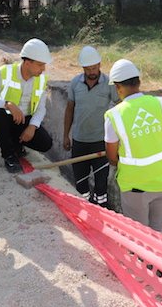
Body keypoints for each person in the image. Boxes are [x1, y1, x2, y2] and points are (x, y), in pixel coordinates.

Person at [104, 59, 162, 232]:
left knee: (139, 235)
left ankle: (141, 259)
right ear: (138, 82)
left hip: (135, 187)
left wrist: (120, 160)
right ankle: (156, 258)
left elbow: (111, 156)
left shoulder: (114, 116)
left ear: (117, 87)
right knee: (156, 231)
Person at [0, 38, 53, 173]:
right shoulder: (5, 73)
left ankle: (17, 144)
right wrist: (7, 104)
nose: (43, 69)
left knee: (46, 143)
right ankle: (9, 155)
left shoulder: (41, 80)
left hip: (24, 120)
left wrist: (32, 126)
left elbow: (41, 108)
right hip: (5, 120)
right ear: (26, 62)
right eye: (40, 65)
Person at [63, 46, 118, 208]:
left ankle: (102, 207)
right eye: (88, 68)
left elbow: (121, 107)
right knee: (80, 181)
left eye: (94, 67)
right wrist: (66, 135)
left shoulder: (109, 84)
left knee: (101, 182)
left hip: (101, 142)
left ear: (100, 64)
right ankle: (85, 204)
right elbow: (69, 109)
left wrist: (119, 137)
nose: (92, 71)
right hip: (79, 141)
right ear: (83, 68)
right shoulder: (75, 83)